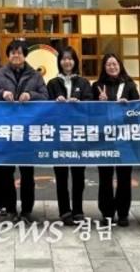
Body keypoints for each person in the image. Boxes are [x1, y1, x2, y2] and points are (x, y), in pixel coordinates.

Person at [0, 39, 48, 224]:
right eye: (12, 52)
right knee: (6, 173)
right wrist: (2, 94)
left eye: (19, 52)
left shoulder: (35, 75)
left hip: (28, 131)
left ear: (25, 55)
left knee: (27, 173)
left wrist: (31, 95)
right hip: (7, 130)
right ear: (8, 55)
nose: (16, 55)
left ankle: (27, 210)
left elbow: (45, 97)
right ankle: (10, 208)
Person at [46, 46, 93, 226]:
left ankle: (78, 210)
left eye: (70, 58)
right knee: (61, 175)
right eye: (64, 59)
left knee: (78, 175)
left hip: (78, 134)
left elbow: (91, 103)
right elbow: (44, 106)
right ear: (59, 62)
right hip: (59, 135)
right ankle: (64, 210)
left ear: (75, 61)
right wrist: (54, 102)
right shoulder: (52, 83)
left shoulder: (83, 82)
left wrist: (79, 102)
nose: (67, 62)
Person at [92, 53, 140, 227]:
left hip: (124, 137)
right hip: (104, 137)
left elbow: (138, 110)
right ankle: (107, 213)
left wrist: (129, 105)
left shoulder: (129, 85)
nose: (112, 67)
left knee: (124, 176)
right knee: (105, 176)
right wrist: (99, 102)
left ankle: (123, 213)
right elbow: (89, 111)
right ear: (104, 67)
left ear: (120, 65)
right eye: (108, 64)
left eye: (115, 64)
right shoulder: (97, 86)